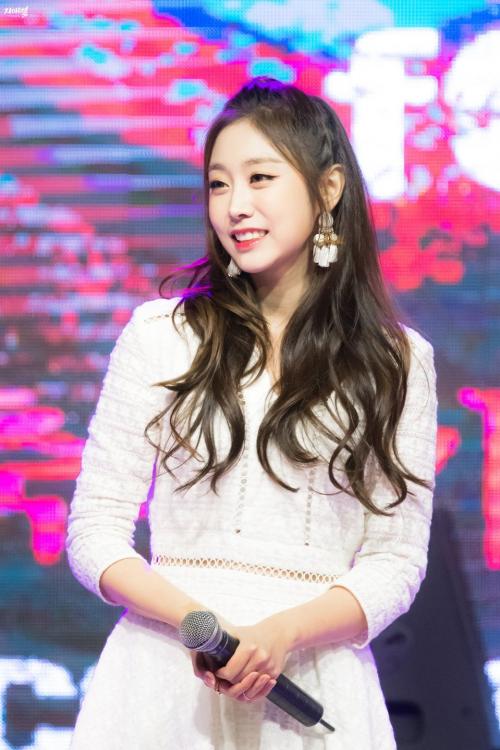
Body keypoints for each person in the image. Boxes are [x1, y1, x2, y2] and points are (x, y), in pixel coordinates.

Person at [66, 76, 438, 749]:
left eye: (260, 178)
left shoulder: (397, 361)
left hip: (313, 682)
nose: (236, 205)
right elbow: (94, 531)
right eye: (218, 184)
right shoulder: (161, 335)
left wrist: (282, 634)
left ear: (328, 189)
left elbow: (397, 560)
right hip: (161, 682)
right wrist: (199, 625)